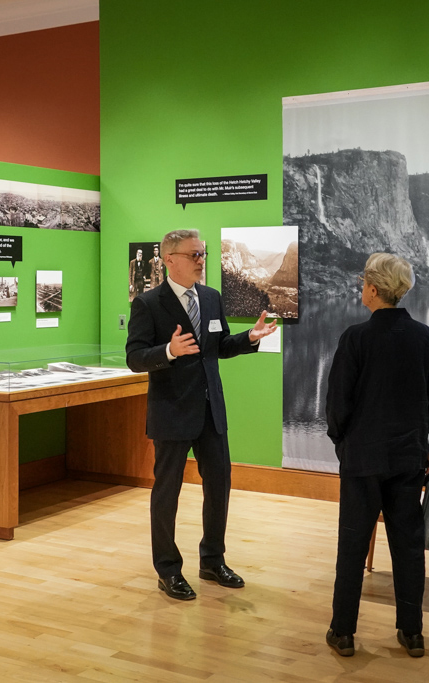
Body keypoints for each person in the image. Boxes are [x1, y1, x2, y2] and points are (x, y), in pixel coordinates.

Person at [126, 229, 278, 601]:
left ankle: (212, 560)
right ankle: (168, 570)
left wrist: (250, 339)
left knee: (219, 487)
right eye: (194, 254)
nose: (200, 260)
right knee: (167, 493)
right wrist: (170, 350)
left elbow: (219, 347)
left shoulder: (210, 298)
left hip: (211, 411)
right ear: (170, 259)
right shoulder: (148, 304)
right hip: (172, 413)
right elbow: (134, 358)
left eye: (203, 253)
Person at [324, 252, 429, 658]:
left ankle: (343, 632)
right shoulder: (423, 336)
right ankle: (412, 633)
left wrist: (342, 442)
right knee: (408, 547)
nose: (361, 290)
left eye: (363, 284)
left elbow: (338, 403)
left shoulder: (355, 338)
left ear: (374, 290)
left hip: (361, 460)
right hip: (408, 459)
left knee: (352, 546)